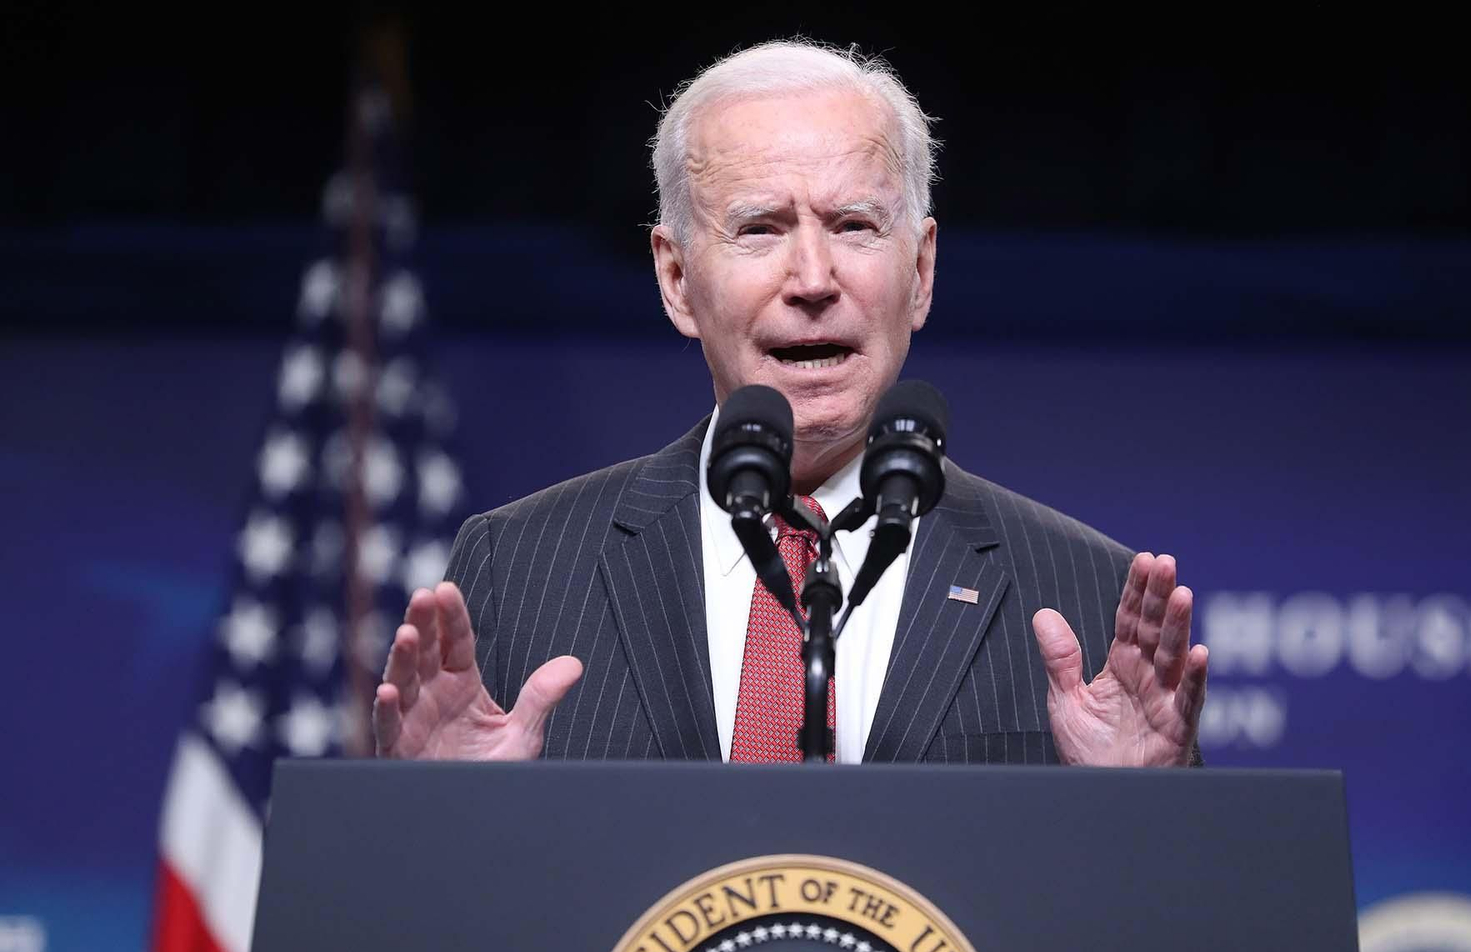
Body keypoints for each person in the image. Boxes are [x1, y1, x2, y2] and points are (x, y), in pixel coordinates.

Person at [371, 39, 1207, 766]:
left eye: (853, 225)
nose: (813, 280)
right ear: (675, 279)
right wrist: (443, 815)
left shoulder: (1085, 590)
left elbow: (1168, 924)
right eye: (761, 229)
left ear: (920, 273)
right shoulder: (517, 572)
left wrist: (1147, 813)